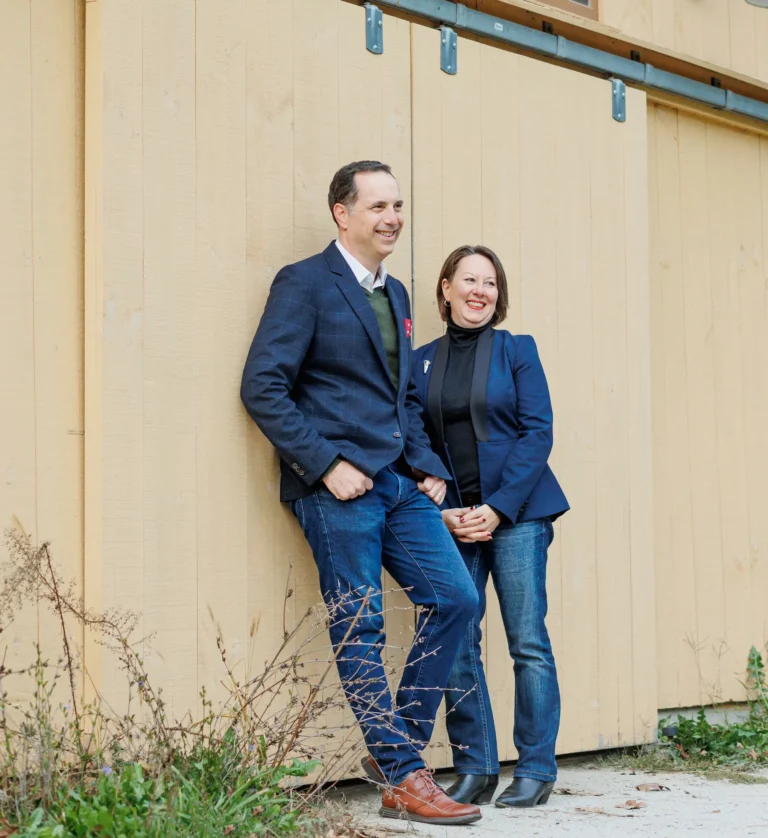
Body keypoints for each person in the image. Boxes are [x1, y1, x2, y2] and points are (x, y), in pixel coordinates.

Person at [240, 163, 481, 825]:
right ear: (342, 214)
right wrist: (323, 465)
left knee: (456, 598)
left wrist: (425, 465)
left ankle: (391, 744)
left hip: (399, 483)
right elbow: (263, 385)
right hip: (338, 490)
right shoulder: (305, 283)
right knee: (362, 627)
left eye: (397, 204)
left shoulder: (398, 293)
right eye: (377, 205)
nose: (391, 217)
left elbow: (401, 397)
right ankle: (405, 774)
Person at [411, 245, 569, 809]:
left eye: (491, 282)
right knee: (457, 640)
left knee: (527, 641)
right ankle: (475, 766)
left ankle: (536, 767)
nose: (480, 290)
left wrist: (499, 507)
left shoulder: (516, 351)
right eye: (469, 280)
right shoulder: (420, 361)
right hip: (456, 520)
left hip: (517, 515)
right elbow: (412, 435)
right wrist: (441, 504)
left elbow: (537, 433)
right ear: (446, 287)